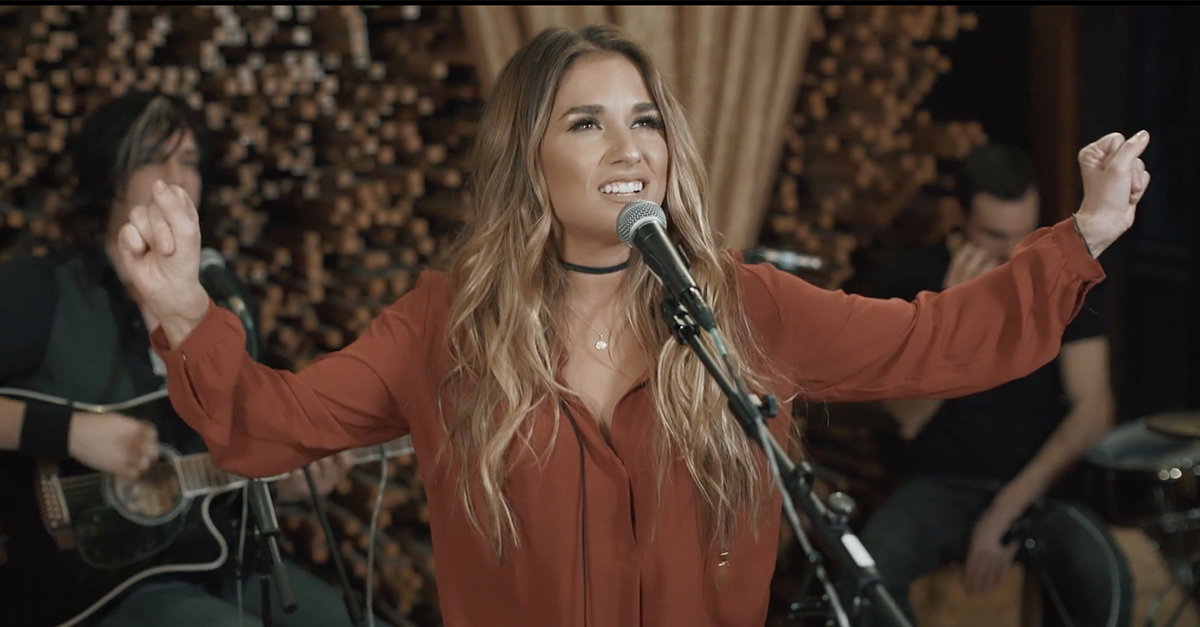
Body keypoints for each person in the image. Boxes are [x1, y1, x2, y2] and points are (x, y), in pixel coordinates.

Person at [117, 25, 1150, 627]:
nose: (630, 147)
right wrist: (181, 309)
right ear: (530, 159)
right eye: (587, 122)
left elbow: (933, 341)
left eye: (645, 119)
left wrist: (1085, 236)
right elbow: (273, 425)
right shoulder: (445, 327)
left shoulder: (743, 308)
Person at [0, 90, 383, 627]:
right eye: (153, 159)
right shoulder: (41, 291)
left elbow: (231, 448)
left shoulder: (225, 298)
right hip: (92, 587)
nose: (176, 178)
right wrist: (68, 432)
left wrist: (287, 483)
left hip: (219, 557)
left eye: (189, 161)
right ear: (109, 175)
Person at [859, 144, 1133, 627]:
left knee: (1103, 574)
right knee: (867, 574)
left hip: (1037, 488)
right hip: (938, 486)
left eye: (1023, 233)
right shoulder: (908, 279)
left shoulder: (1062, 281)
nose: (1012, 253)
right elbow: (905, 420)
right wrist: (954, 315)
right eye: (993, 236)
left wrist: (1007, 509)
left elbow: (1093, 413)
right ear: (958, 219)